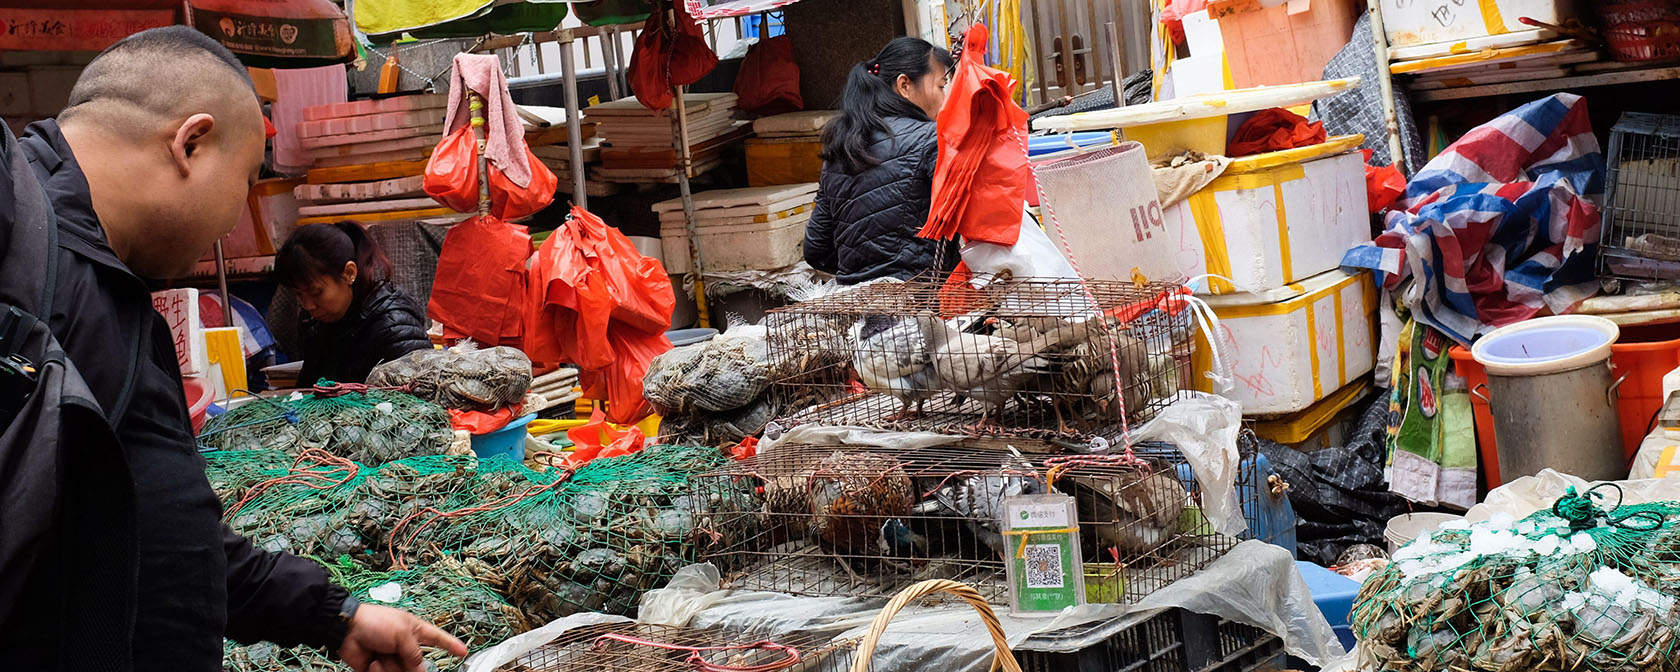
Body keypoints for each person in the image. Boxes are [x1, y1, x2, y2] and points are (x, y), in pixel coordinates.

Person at [0, 27, 466, 672]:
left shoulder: (102, 290)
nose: (232, 219)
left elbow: (157, 524)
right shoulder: (23, 245)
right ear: (191, 142)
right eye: (246, 178)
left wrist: (330, 615)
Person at [803, 37, 956, 284]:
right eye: (940, 86)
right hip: (922, 301)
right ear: (905, 85)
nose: (944, 97)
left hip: (857, 304)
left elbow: (816, 249)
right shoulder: (930, 139)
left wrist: (866, 275)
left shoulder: (841, 147)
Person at [275, 221, 432, 386]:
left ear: (349, 273)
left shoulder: (395, 328)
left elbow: (420, 398)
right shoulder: (316, 326)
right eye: (299, 295)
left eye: (316, 293)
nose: (308, 305)